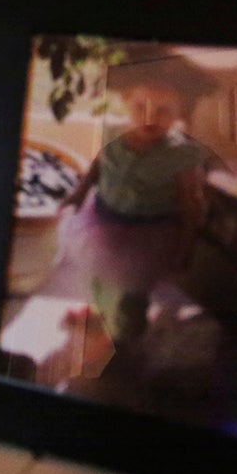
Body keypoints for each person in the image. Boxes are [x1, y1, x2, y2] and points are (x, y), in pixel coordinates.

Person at [55, 53, 219, 344]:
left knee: (132, 289)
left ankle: (128, 335)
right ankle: (102, 312)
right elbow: (99, 165)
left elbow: (189, 206)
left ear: (179, 112)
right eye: (140, 107)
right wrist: (80, 193)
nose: (150, 117)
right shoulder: (112, 135)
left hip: (147, 237)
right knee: (99, 277)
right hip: (102, 222)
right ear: (126, 101)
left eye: (163, 110)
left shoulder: (180, 155)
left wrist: (184, 248)